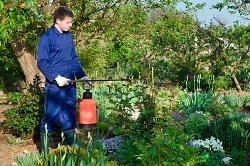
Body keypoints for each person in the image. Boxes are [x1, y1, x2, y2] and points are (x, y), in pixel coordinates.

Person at [37, 6, 90, 154]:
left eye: (71, 22)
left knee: (69, 117)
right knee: (51, 118)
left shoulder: (68, 36)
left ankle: (71, 151)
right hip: (55, 87)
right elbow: (42, 62)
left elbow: (73, 59)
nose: (70, 25)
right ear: (58, 20)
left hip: (70, 85)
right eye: (68, 22)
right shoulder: (46, 38)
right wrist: (56, 77)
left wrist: (82, 76)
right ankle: (44, 154)